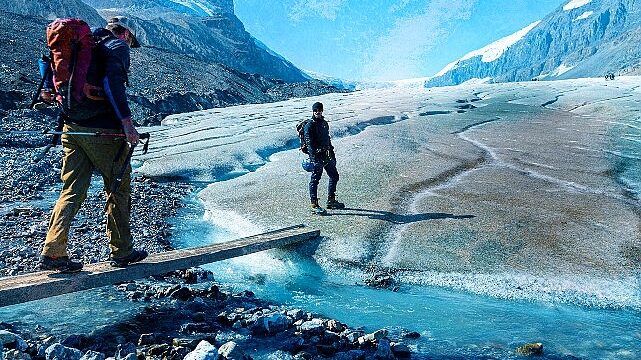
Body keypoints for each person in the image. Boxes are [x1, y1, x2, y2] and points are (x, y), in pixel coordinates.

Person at [40, 16, 147, 272]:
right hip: (103, 131)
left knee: (72, 189)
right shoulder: (116, 47)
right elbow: (112, 84)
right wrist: (127, 124)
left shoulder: (80, 44)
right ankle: (121, 251)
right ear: (125, 34)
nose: (129, 44)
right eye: (131, 40)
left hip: (71, 126)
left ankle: (54, 252)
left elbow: (46, 64)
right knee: (117, 187)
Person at [303, 102, 345, 214]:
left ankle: (331, 200)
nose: (317, 112)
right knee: (315, 179)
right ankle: (314, 204)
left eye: (319, 110)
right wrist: (314, 159)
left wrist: (332, 154)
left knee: (334, 176)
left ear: (322, 111)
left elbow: (327, 139)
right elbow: (309, 143)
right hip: (317, 157)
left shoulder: (324, 123)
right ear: (313, 111)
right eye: (315, 110)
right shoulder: (310, 126)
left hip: (327, 155)